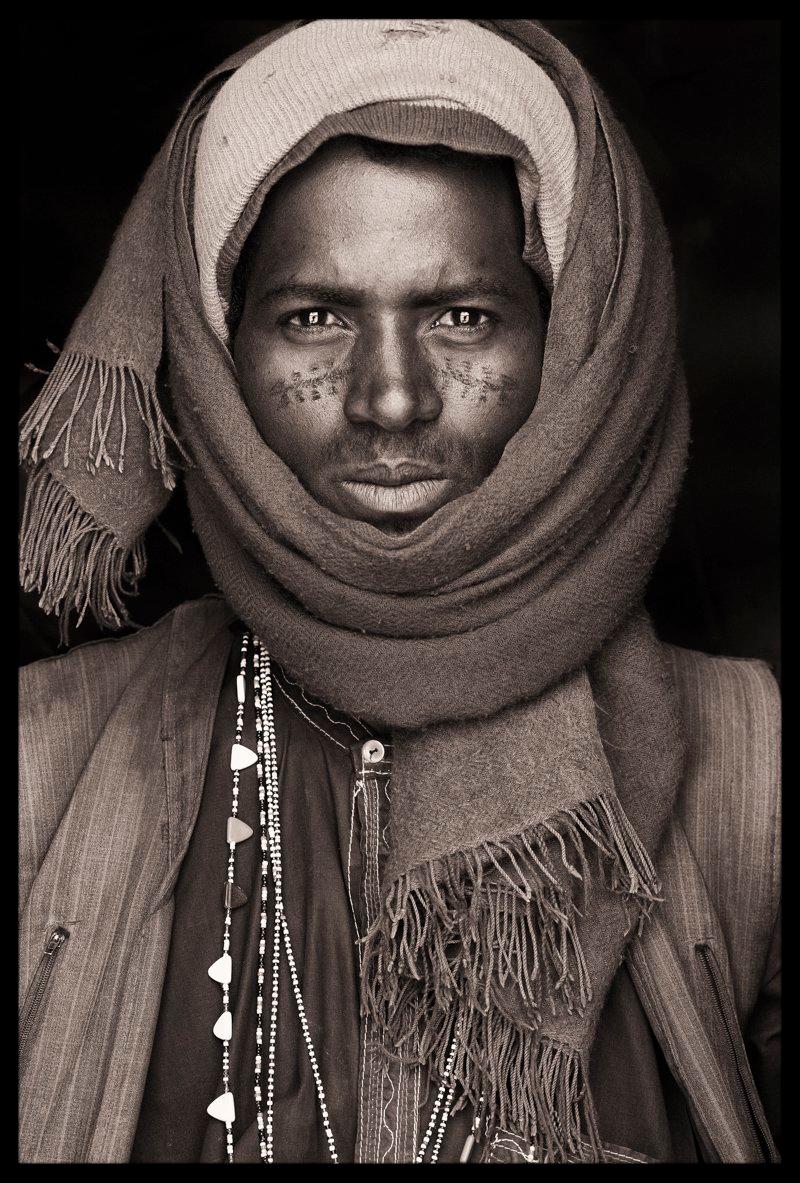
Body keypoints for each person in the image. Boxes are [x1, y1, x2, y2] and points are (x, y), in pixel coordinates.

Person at [18, 19, 780, 1164]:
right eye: (314, 317)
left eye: (460, 316)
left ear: (570, 350)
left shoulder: (755, 766)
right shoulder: (42, 761)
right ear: (222, 361)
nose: (387, 398)